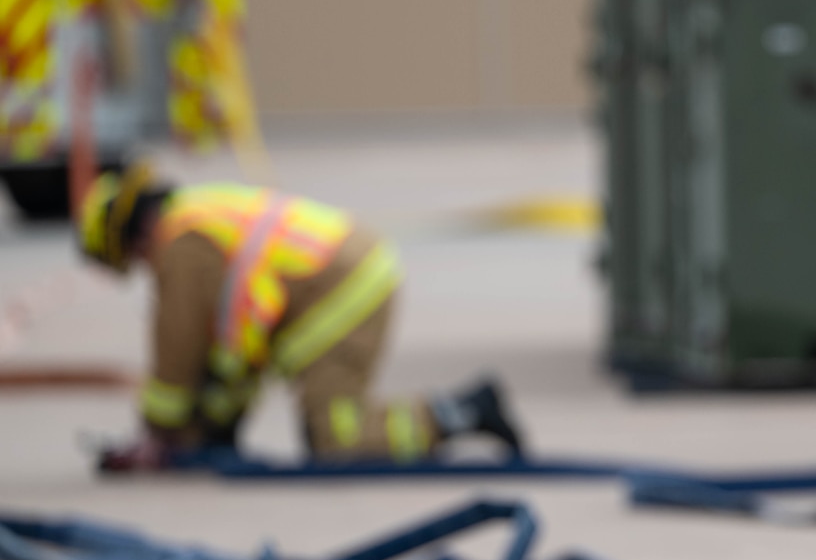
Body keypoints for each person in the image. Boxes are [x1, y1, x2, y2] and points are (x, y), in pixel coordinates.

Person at [76, 162, 523, 470]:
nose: (143, 270)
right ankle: (454, 414)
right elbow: (236, 345)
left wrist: (161, 434)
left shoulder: (182, 245)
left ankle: (464, 412)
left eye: (131, 262)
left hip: (345, 290)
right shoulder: (199, 214)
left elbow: (178, 353)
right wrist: (214, 427)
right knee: (327, 432)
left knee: (337, 441)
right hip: (348, 274)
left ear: (129, 240)